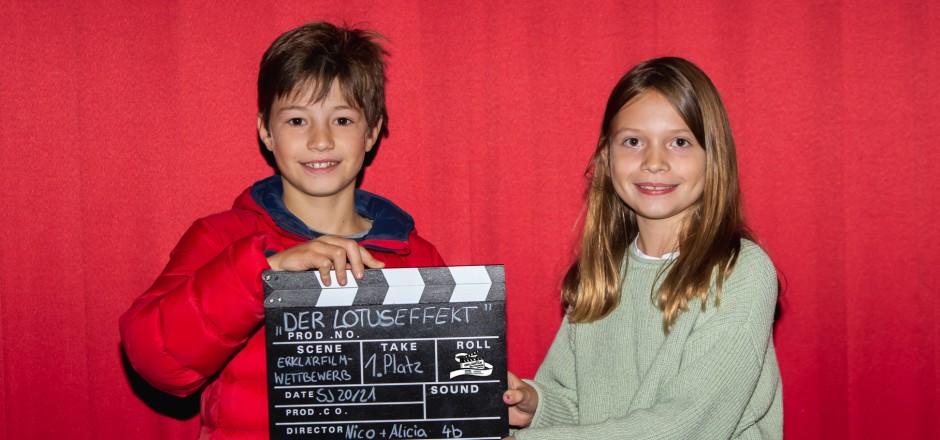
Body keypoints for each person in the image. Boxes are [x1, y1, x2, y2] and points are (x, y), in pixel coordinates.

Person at [119, 21, 444, 438]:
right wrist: (262, 273)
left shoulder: (416, 257)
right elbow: (156, 359)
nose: (321, 140)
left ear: (373, 131)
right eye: (296, 121)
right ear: (265, 131)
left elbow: (438, 402)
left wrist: (494, 399)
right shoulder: (221, 239)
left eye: (342, 120)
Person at [502, 57, 782, 439]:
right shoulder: (601, 276)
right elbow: (584, 406)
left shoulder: (740, 272)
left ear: (713, 157)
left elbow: (686, 424)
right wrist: (537, 404)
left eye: (679, 142)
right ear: (606, 158)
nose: (653, 162)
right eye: (633, 142)